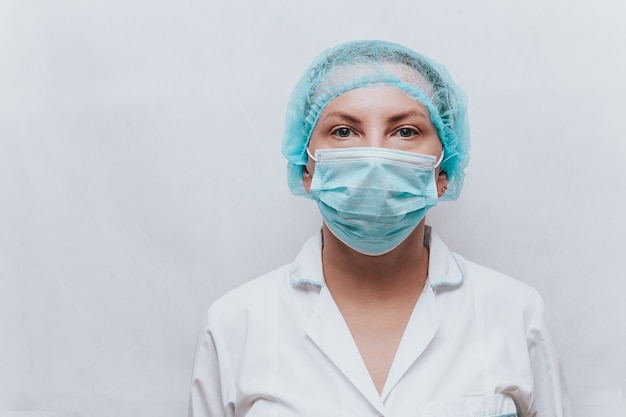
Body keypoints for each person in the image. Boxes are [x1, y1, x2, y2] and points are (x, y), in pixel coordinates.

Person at [187, 40, 572, 417]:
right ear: (307, 168)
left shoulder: (515, 314)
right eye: (343, 131)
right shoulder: (236, 323)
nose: (374, 157)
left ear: (443, 171)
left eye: (405, 131)